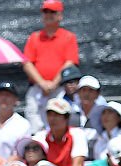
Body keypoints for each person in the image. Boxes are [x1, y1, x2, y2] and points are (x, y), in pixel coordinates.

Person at [22, 0, 80, 133]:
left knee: (58, 123)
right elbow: (27, 63)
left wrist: (53, 84)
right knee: (35, 126)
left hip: (59, 89)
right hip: (37, 89)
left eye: (52, 12)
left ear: (60, 15)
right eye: (45, 12)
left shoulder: (68, 37)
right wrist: (42, 83)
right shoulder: (34, 37)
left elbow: (70, 62)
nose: (48, 15)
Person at [33, 98, 87, 166]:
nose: (52, 119)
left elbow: (78, 164)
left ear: (67, 118)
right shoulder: (40, 136)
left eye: (57, 115)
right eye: (49, 114)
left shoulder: (77, 134)